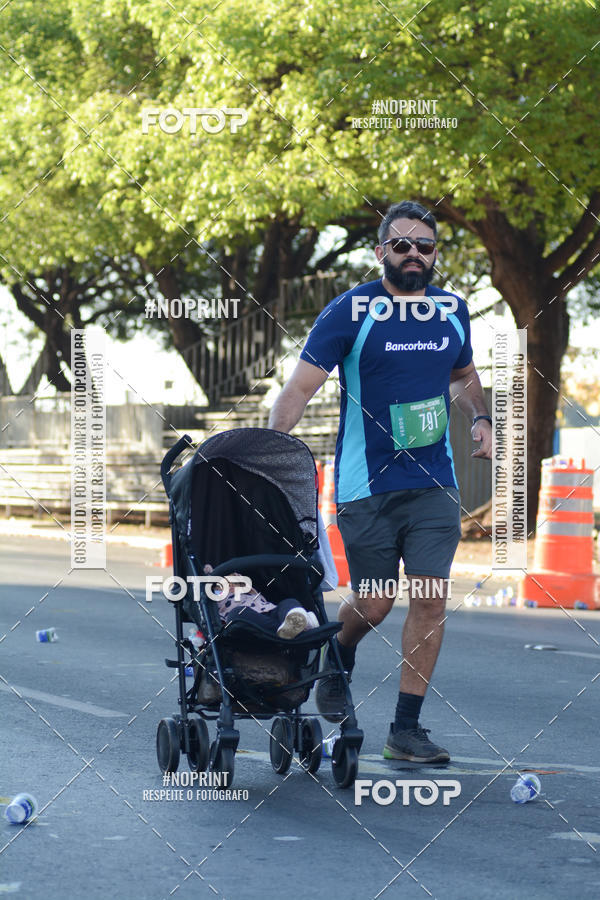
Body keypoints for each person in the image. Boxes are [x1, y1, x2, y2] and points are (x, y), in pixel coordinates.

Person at [268, 200, 492, 763]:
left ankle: (405, 730)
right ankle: (338, 658)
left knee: (431, 599)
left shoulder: (450, 310)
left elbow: (463, 376)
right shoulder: (352, 310)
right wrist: (271, 449)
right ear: (380, 252)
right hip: (366, 485)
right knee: (373, 604)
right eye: (402, 245)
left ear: (436, 255)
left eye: (425, 247)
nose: (414, 255)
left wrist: (481, 417)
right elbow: (299, 389)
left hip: (435, 483)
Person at [203, 564, 319, 638]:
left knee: (288, 602)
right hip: (250, 621)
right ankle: (300, 628)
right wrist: (210, 574)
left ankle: (298, 619)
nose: (231, 585)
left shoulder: (247, 592)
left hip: (271, 612)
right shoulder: (216, 596)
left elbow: (247, 586)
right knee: (237, 614)